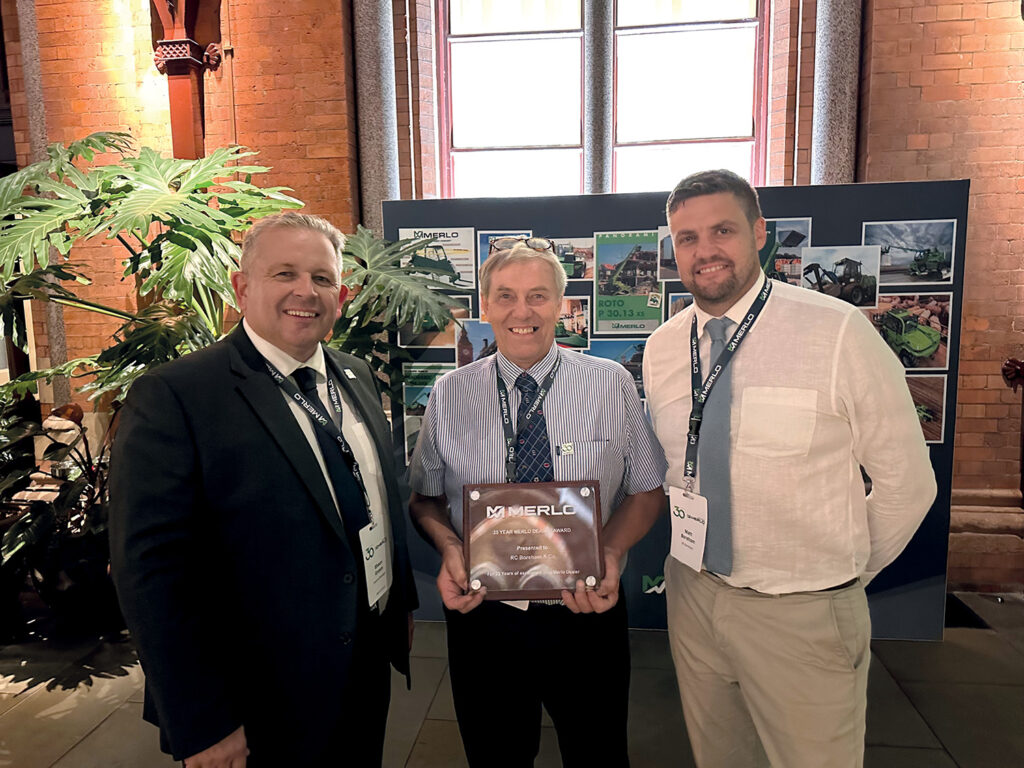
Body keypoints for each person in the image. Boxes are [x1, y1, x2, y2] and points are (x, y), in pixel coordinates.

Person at [642, 169, 937, 768]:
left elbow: (909, 485)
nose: (705, 251)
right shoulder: (664, 347)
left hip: (801, 611)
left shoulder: (836, 333)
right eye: (687, 238)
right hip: (694, 599)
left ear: (759, 233)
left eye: (722, 230)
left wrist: (837, 581)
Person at [109, 212, 417, 767]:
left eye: (322, 278)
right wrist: (202, 719)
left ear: (341, 294)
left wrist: (400, 609)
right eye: (285, 274)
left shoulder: (356, 375)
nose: (306, 291)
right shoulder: (177, 395)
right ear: (242, 287)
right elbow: (151, 572)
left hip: (361, 667)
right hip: (256, 698)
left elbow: (381, 500)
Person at [408, 238, 667, 768]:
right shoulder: (450, 392)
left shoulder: (611, 383)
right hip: (484, 615)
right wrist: (450, 546)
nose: (521, 312)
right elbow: (424, 500)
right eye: (505, 296)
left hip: (585, 607)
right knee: (495, 756)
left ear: (560, 303)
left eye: (537, 296)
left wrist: (612, 554)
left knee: (597, 753)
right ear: (485, 307)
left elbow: (645, 491)